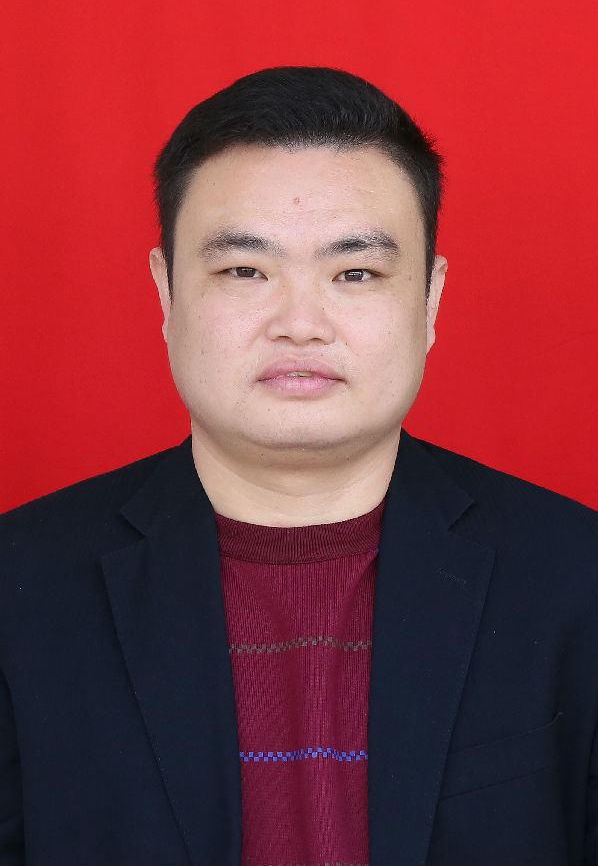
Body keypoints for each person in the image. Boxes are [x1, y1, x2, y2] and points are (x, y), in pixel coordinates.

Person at [0, 67, 595, 866]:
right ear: (166, 294)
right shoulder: (19, 587)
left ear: (430, 300)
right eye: (245, 271)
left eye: (356, 273)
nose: (301, 324)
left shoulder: (577, 579)